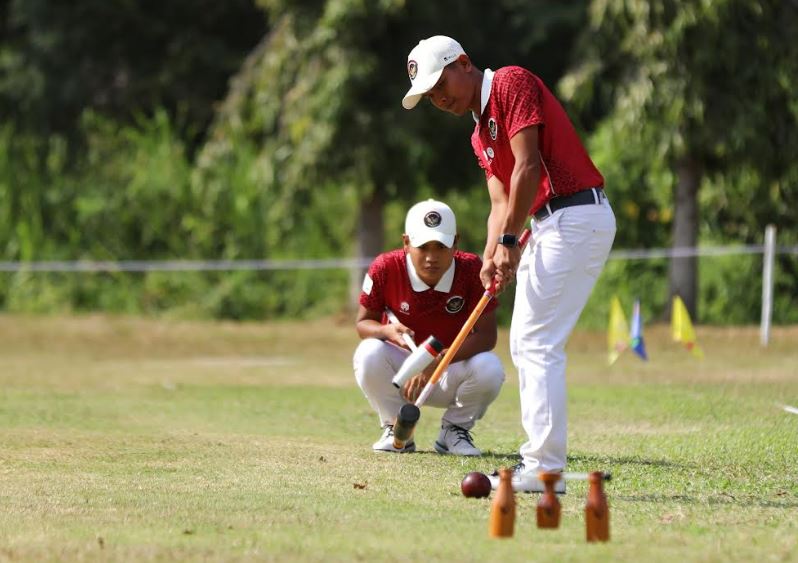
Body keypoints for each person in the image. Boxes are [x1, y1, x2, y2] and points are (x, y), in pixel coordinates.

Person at [402, 36, 616, 491]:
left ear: (463, 63)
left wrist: (509, 240)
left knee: (536, 343)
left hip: (574, 214)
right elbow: (500, 198)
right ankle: (543, 463)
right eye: (429, 96)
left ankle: (544, 467)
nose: (439, 99)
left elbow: (528, 168)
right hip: (548, 224)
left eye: (441, 84)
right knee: (526, 343)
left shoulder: (510, 84)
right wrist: (490, 254)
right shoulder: (479, 133)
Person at [353, 199, 505, 456]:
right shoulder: (385, 268)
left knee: (490, 367)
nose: (431, 257)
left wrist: (438, 362)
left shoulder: (472, 270)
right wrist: (386, 331)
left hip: (449, 372)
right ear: (406, 242)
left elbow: (487, 337)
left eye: (441, 247)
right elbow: (363, 323)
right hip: (402, 373)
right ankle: (396, 427)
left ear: (455, 243)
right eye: (422, 246)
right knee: (368, 352)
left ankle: (453, 431)